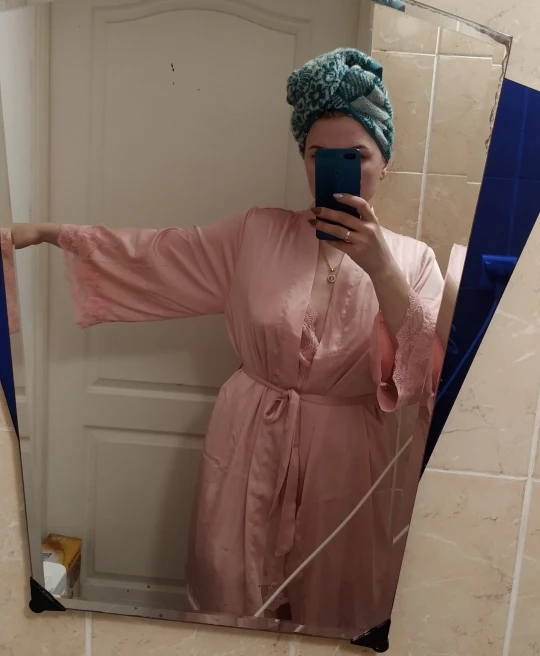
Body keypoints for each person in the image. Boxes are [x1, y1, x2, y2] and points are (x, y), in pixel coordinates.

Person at [10, 48, 443, 633]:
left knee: (334, 598)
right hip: (248, 441)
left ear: (384, 162)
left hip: (344, 457)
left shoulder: (416, 261)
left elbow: (424, 376)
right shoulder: (255, 234)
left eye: (355, 156)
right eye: (317, 155)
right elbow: (159, 254)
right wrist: (46, 232)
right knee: (230, 585)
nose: (334, 168)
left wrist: (382, 268)